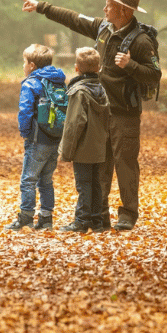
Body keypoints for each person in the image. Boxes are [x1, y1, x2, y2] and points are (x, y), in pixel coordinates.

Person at [18, 0, 161, 231]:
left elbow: (155, 74)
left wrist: (130, 65)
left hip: (125, 113)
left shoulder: (141, 41)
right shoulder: (103, 27)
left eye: (109, 4)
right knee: (101, 163)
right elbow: (73, 19)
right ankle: (99, 214)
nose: (104, 8)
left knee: (125, 163)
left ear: (124, 11)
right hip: (100, 111)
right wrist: (42, 7)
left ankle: (127, 214)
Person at [7, 44, 67, 231]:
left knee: (28, 179)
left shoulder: (31, 83)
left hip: (37, 138)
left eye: (24, 62)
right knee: (46, 180)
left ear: (32, 65)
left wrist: (25, 133)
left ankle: (25, 216)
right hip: (55, 137)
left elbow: (25, 111)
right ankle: (46, 218)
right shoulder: (59, 82)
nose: (23, 66)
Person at [58, 47, 112, 233]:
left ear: (76, 68)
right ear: (98, 68)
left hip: (82, 148)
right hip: (98, 146)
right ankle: (96, 221)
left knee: (84, 185)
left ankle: (81, 222)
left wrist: (66, 151)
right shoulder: (102, 90)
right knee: (96, 183)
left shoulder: (78, 92)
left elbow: (74, 125)